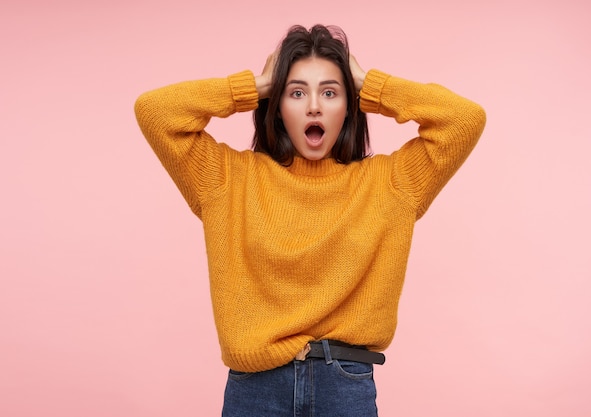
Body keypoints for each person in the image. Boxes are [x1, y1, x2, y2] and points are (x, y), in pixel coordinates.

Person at [135, 24, 486, 417]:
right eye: (297, 92)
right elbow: (155, 111)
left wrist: (369, 84)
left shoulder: (390, 184)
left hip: (344, 385)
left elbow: (464, 119)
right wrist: (256, 84)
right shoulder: (227, 179)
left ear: (350, 106)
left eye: (330, 92)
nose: (314, 106)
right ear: (276, 105)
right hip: (255, 388)